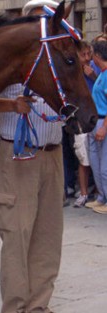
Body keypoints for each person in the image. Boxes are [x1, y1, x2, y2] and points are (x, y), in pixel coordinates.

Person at [0, 1, 64, 313]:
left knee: (48, 234)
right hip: (17, 154)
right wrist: (11, 105)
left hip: (53, 153)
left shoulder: (58, 59)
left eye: (49, 20)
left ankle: (38, 305)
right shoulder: (4, 60)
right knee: (16, 234)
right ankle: (15, 306)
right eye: (39, 20)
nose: (43, 27)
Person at [73, 41, 97, 207]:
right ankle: (83, 193)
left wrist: (92, 76)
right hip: (81, 119)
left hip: (96, 118)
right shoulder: (72, 72)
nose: (87, 58)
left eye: (89, 54)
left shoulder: (96, 69)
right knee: (83, 158)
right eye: (84, 55)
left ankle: (98, 192)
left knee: (98, 159)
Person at [86, 40, 107, 214]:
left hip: (103, 121)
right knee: (96, 163)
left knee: (105, 166)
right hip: (95, 121)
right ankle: (101, 197)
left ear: (98, 55)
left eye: (92, 53)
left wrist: (104, 127)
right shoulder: (101, 73)